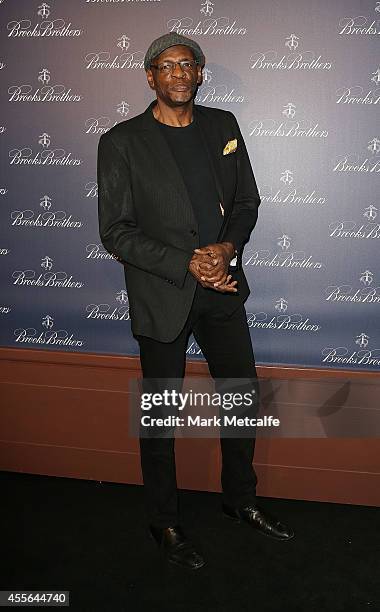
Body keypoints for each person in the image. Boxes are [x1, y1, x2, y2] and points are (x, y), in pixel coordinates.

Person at [97, 32, 294, 571]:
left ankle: (240, 501)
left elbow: (247, 201)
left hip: (223, 290)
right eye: (167, 65)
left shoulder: (223, 126)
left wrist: (226, 249)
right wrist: (186, 260)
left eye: (188, 64)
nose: (179, 73)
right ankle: (163, 520)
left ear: (200, 74)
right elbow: (115, 232)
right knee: (160, 417)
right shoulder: (120, 142)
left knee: (241, 399)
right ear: (150, 77)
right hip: (164, 296)